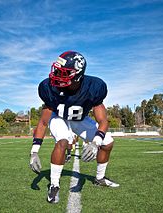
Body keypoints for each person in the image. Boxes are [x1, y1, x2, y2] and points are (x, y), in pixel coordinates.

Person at [29, 51, 119, 204]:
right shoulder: (49, 87)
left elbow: (103, 121)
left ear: (77, 74)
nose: (57, 75)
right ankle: (54, 185)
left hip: (80, 119)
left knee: (107, 143)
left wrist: (95, 142)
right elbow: (43, 122)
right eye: (57, 70)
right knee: (63, 141)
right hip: (58, 117)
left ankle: (100, 178)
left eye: (63, 73)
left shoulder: (94, 87)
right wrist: (34, 152)